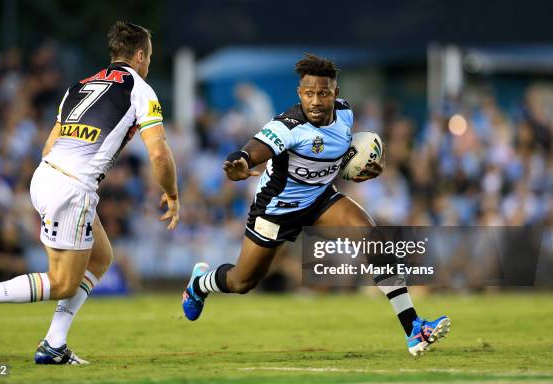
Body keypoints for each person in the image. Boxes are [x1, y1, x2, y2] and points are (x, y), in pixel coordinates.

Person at [0, 21, 180, 364]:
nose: (149, 64)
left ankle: (54, 344)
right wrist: (171, 193)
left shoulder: (79, 85)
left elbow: (50, 143)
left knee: (100, 257)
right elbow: (158, 153)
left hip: (47, 174)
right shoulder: (141, 90)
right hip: (73, 187)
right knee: (63, 282)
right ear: (140, 56)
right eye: (149, 57)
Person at [182, 54, 450, 356]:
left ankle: (414, 329)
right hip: (276, 210)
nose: (316, 100)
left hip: (320, 200)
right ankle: (200, 284)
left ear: (335, 94)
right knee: (242, 281)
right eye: (309, 93)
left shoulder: (346, 114)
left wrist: (367, 167)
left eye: (323, 93)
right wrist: (239, 161)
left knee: (376, 241)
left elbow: (345, 156)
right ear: (300, 93)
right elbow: (255, 149)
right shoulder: (288, 126)